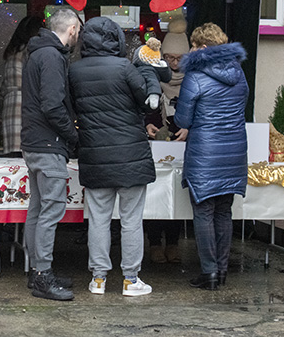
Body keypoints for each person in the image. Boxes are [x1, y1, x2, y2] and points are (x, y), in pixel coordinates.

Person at [69, 16, 155, 297]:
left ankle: (98, 279)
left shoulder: (75, 70)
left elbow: (71, 108)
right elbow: (146, 103)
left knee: (98, 219)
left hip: (94, 154)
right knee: (131, 220)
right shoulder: (125, 67)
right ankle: (130, 279)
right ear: (116, 39)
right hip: (131, 154)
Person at [174, 22, 248, 290]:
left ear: (203, 47)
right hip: (235, 150)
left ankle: (209, 273)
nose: (191, 50)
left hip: (205, 151)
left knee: (203, 211)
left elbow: (183, 119)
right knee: (224, 211)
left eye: (193, 45)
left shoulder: (195, 76)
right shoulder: (238, 72)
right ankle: (223, 270)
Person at [21, 8, 81, 301]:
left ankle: (36, 272)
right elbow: (53, 106)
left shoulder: (36, 53)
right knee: (51, 211)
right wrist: (74, 136)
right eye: (78, 31)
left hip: (33, 143)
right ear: (71, 30)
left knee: (37, 209)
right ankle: (43, 275)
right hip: (49, 144)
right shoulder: (53, 57)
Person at [144, 19, 191, 264]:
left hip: (184, 145)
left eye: (179, 59)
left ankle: (173, 243)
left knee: (178, 197)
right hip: (157, 144)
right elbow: (145, 109)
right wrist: (148, 124)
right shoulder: (153, 77)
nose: (174, 64)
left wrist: (189, 128)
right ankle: (154, 243)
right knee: (156, 195)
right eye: (170, 58)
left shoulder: (193, 81)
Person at [1, 16, 44, 156]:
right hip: (28, 107)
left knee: (12, 159)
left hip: (10, 107)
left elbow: (3, 87)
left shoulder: (12, 53)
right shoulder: (31, 52)